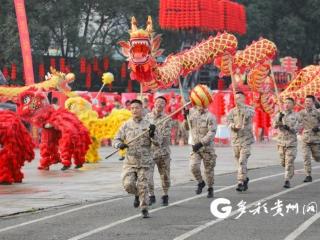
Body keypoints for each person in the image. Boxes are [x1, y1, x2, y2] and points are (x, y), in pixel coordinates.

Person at [113, 99, 158, 218]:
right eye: (132, 108)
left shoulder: (149, 125)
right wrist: (120, 145)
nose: (134, 110)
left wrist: (153, 134)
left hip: (145, 162)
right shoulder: (126, 125)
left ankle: (144, 208)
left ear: (142, 109)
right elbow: (116, 139)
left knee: (143, 185)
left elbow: (158, 142)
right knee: (128, 185)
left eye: (137, 108)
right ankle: (138, 195)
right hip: (130, 162)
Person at [183, 103, 217, 198]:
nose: (200, 106)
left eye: (202, 104)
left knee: (209, 171)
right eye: (198, 104)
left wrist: (201, 143)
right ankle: (200, 182)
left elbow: (212, 132)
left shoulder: (210, 116)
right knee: (193, 167)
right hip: (195, 148)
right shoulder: (192, 114)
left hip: (207, 148)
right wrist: (185, 117)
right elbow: (185, 128)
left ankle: (210, 188)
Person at [145, 96, 172, 206]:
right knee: (148, 175)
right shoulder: (146, 117)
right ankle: (151, 195)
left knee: (165, 176)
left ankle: (165, 194)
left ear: (165, 105)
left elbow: (165, 137)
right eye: (158, 102)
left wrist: (153, 135)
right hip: (150, 153)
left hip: (163, 152)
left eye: (162, 103)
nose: (159, 104)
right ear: (154, 103)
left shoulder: (167, 119)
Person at [227, 91, 255, 192]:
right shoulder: (232, 111)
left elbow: (250, 115)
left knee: (242, 161)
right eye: (236, 98)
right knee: (239, 162)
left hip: (246, 140)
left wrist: (242, 109)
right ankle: (245, 178)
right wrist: (235, 126)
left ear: (244, 98)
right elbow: (229, 123)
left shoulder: (250, 109)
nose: (237, 100)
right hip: (236, 141)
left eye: (239, 98)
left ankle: (240, 182)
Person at [273, 97, 299, 188]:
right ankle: (290, 169)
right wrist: (279, 119)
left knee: (289, 161)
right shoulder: (279, 114)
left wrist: (288, 127)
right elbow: (274, 126)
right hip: (281, 142)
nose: (287, 104)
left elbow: (297, 129)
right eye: (285, 103)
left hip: (291, 142)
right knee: (283, 162)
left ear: (293, 105)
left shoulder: (296, 116)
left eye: (289, 103)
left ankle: (287, 180)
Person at [299, 95, 320, 182]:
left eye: (309, 101)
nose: (307, 102)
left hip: (316, 138)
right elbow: (296, 122)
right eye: (306, 101)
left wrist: (319, 128)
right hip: (305, 138)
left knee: (317, 157)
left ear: (313, 102)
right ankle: (308, 175)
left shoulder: (317, 113)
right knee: (306, 157)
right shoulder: (301, 113)